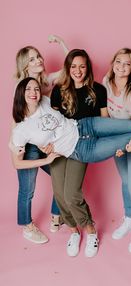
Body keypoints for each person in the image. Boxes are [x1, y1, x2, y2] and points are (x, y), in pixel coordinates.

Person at [49, 49, 108, 258]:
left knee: (71, 193)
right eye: (73, 66)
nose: (77, 70)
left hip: (82, 146)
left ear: (88, 68)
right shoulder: (58, 90)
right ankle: (74, 231)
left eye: (82, 66)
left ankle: (90, 230)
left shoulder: (98, 91)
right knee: (58, 192)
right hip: (59, 146)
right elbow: (51, 122)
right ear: (68, 68)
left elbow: (104, 122)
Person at [12, 35, 69, 244]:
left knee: (61, 176)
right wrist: (14, 147)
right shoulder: (23, 87)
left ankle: (56, 216)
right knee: (27, 190)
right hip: (26, 145)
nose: (38, 61)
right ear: (25, 65)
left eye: (39, 57)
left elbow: (68, 68)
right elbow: (16, 120)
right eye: (32, 59)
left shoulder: (43, 82)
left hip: (42, 142)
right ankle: (27, 226)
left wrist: (62, 44)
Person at [103, 48, 131, 253]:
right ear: (113, 62)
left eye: (127, 64)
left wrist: (129, 146)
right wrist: (115, 145)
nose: (121, 67)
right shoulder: (105, 82)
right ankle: (129, 219)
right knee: (125, 182)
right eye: (118, 62)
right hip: (116, 143)